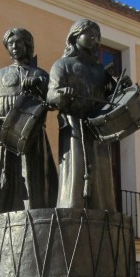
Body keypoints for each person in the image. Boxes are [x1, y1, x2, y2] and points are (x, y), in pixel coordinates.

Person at [0, 28, 57, 215]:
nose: (15, 46)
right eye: (11, 44)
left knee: (34, 181)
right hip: (6, 138)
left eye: (19, 42)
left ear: (28, 45)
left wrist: (37, 87)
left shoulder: (41, 75)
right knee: (5, 179)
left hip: (33, 139)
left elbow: (52, 103)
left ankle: (35, 218)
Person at [47, 19, 125, 211]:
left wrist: (120, 87)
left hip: (97, 126)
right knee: (76, 167)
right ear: (75, 36)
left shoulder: (99, 70)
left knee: (101, 169)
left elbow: (111, 96)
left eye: (97, 37)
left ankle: (102, 209)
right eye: (89, 35)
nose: (94, 40)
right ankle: (72, 208)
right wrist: (62, 94)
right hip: (73, 124)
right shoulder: (62, 65)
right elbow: (50, 95)